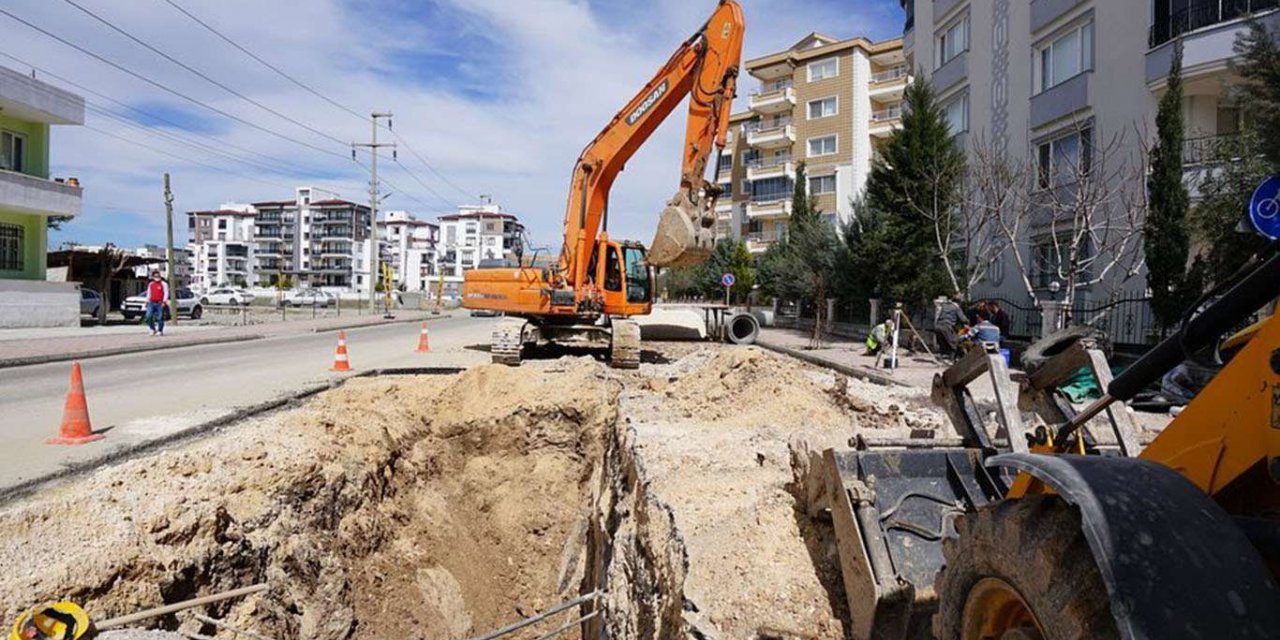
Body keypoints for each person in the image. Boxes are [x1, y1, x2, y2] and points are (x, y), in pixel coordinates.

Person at [934, 293, 965, 359]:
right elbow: (963, 319)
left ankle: (943, 357)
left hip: (938, 326)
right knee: (954, 343)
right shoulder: (956, 308)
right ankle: (952, 359)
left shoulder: (945, 305)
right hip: (947, 327)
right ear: (959, 302)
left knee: (942, 344)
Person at [142, 270, 169, 336]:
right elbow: (149, 293)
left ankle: (160, 330)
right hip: (151, 302)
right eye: (155, 276)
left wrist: (164, 301)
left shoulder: (164, 284)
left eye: (158, 276)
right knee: (148, 316)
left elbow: (166, 293)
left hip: (160, 303)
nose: (157, 277)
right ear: (153, 277)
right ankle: (152, 329)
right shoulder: (151, 284)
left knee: (160, 317)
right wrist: (146, 301)